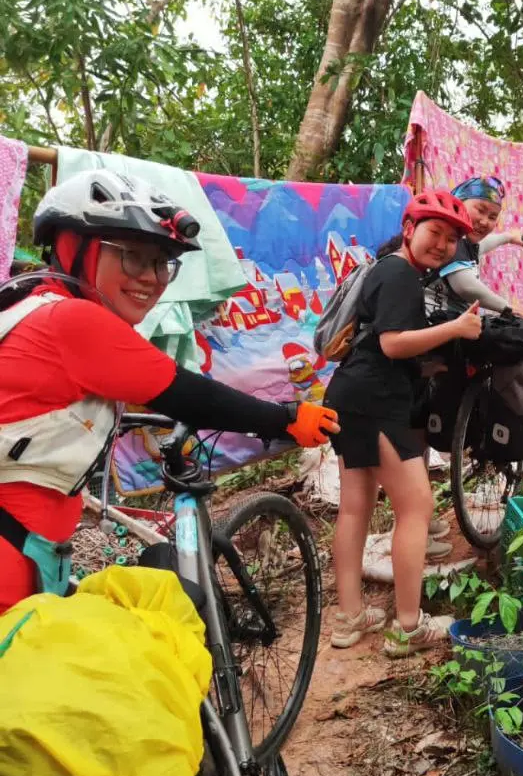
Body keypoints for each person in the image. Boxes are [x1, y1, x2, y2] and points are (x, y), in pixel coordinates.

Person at [0, 169, 338, 613]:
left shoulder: (28, 302)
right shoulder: (72, 321)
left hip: (30, 551)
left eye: (163, 263)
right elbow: (183, 392)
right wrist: (288, 418)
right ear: (73, 247)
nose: (152, 278)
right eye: (133, 257)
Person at [324, 190, 482, 656]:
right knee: (416, 507)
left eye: (453, 239)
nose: (443, 244)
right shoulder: (399, 274)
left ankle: (349, 618)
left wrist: (424, 365)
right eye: (435, 233)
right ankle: (409, 626)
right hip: (375, 401)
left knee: (355, 506)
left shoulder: (387, 270)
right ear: (410, 230)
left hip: (350, 394)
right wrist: (455, 330)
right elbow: (393, 343)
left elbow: (385, 343)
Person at [427, 175, 523, 316]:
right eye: (480, 210)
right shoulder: (452, 239)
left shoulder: (466, 242)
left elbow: (482, 245)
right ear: (458, 204)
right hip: (433, 327)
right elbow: (465, 286)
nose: (485, 222)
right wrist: (507, 307)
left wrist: (508, 237)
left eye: (492, 217)